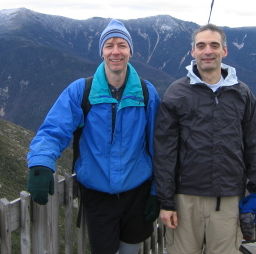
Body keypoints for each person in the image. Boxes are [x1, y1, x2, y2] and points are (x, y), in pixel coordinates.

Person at [27, 19, 161, 254]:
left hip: (137, 192)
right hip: (98, 196)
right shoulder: (82, 91)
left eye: (121, 45)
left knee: (130, 250)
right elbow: (53, 130)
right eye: (109, 45)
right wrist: (40, 163)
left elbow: (159, 146)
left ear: (130, 50)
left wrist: (156, 191)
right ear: (102, 51)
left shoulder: (147, 94)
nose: (115, 51)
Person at [153, 24, 256, 254]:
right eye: (201, 45)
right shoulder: (177, 93)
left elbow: (252, 144)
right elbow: (164, 151)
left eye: (214, 45)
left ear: (224, 51)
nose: (208, 51)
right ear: (192, 51)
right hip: (185, 199)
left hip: (227, 199)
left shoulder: (242, 94)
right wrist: (166, 202)